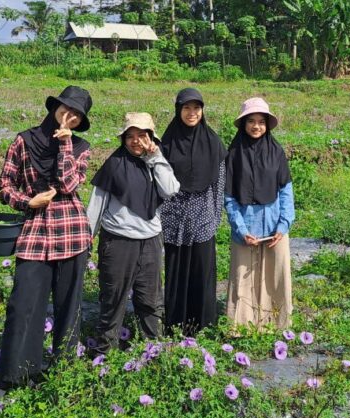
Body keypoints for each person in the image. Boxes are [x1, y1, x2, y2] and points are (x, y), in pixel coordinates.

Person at [0, 85, 93, 390]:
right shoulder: (24, 141)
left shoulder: (81, 147)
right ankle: (18, 376)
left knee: (69, 306)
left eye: (77, 115)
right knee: (24, 305)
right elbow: (3, 186)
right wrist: (27, 202)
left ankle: (64, 372)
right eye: (67, 109)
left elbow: (67, 184)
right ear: (55, 106)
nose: (70, 117)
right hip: (36, 233)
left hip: (73, 234)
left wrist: (64, 145)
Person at [87, 113, 180, 354]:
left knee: (150, 300)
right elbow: (96, 205)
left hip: (150, 241)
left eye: (142, 135)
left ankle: (153, 349)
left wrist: (155, 158)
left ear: (152, 138)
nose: (135, 141)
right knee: (113, 298)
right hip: (118, 242)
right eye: (130, 136)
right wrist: (86, 238)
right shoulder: (115, 164)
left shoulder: (156, 162)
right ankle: (105, 353)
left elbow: (170, 189)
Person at [159, 88, 227, 336]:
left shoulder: (213, 143)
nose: (192, 113)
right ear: (178, 110)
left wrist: (214, 218)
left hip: (203, 219)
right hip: (173, 219)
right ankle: (175, 325)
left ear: (202, 110)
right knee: (176, 272)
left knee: (202, 272)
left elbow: (219, 184)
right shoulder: (166, 143)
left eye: (196, 108)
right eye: (186, 108)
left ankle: (203, 327)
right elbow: (158, 181)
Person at [224, 97, 295, 332]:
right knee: (242, 280)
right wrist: (241, 230)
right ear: (243, 124)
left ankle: (276, 326)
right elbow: (229, 198)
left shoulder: (276, 152)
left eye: (261, 122)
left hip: (275, 230)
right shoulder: (234, 155)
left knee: (276, 279)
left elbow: (286, 191)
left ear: (267, 125)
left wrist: (283, 226)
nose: (256, 126)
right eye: (251, 121)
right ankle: (241, 329)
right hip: (246, 229)